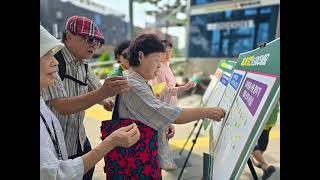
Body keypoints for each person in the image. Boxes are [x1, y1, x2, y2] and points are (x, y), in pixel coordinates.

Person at [115, 33, 226, 178]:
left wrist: (164, 121)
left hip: (140, 156)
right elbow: (165, 112)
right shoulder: (133, 84)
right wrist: (207, 112)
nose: (160, 65)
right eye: (157, 60)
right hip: (137, 162)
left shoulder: (139, 80)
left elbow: (155, 111)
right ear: (141, 56)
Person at [40, 25, 140, 180]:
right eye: (89, 39)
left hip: (79, 139)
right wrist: (110, 141)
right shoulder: (57, 64)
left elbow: (99, 90)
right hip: (60, 149)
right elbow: (62, 106)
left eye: (97, 42)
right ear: (69, 37)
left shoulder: (84, 65)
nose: (94, 45)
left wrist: (105, 99)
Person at [148, 39, 196, 170]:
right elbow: (162, 90)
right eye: (165, 50)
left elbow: (170, 85)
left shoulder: (166, 65)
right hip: (162, 110)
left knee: (164, 141)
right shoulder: (158, 68)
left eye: (170, 50)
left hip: (169, 109)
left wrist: (181, 86)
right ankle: (158, 168)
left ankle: (160, 166)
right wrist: (184, 88)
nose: (168, 53)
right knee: (160, 144)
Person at [251, 101, 280, 180]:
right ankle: (264, 165)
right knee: (256, 145)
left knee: (258, 146)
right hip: (265, 120)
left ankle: (263, 164)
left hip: (267, 121)